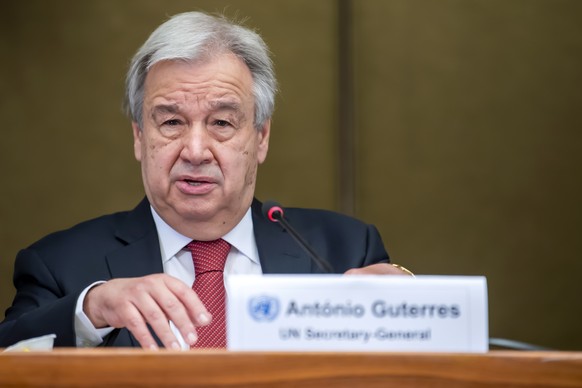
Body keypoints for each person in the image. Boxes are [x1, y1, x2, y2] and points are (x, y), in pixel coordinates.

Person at [0, 11, 410, 350]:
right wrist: (92, 310)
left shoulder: (345, 251)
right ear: (140, 137)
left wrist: (412, 301)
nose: (195, 151)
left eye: (221, 123)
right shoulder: (61, 265)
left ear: (261, 138)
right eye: (172, 122)